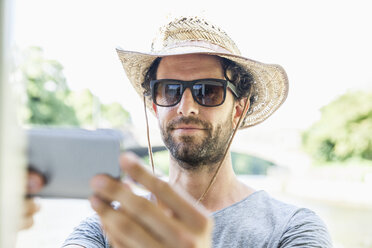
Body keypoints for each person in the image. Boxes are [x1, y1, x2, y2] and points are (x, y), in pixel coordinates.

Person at [63, 16, 332, 247]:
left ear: (239, 109)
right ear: (155, 107)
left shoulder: (292, 229)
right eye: (169, 90)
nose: (186, 107)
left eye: (209, 90)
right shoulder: (105, 228)